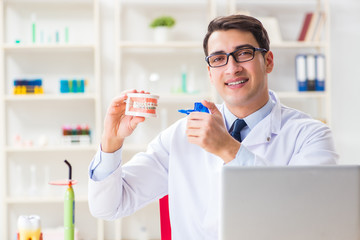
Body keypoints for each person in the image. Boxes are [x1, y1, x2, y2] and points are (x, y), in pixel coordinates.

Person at [88, 14, 338, 239]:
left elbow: (309, 216)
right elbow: (109, 207)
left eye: (244, 53)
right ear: (210, 72)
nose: (232, 68)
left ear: (269, 61)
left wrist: (229, 149)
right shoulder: (180, 135)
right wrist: (111, 141)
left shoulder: (310, 135)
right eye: (219, 59)